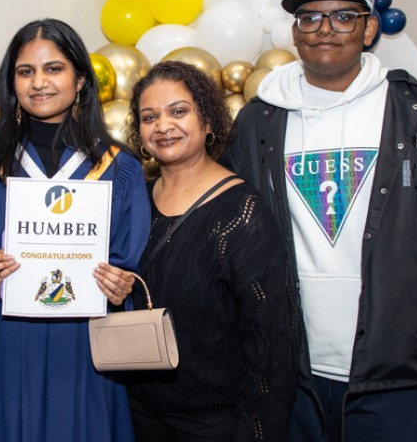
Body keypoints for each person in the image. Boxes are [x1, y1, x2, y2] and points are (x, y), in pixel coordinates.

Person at [220, 0, 417, 442]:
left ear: (369, 29)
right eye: (309, 18)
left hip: (394, 376)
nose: (325, 29)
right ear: (295, 33)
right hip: (288, 373)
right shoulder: (259, 124)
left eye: (343, 16)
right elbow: (231, 244)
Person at [0, 18, 151, 442]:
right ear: (10, 81)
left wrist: (122, 284)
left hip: (86, 347)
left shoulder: (118, 167)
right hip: (9, 341)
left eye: (54, 68)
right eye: (25, 71)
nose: (39, 83)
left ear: (80, 79)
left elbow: (129, 261)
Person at [123, 61, 299, 442]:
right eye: (149, 116)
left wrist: (257, 432)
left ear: (207, 122)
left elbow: (272, 340)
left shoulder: (241, 212)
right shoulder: (133, 200)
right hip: (135, 413)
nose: (163, 125)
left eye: (179, 111)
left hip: (214, 424)